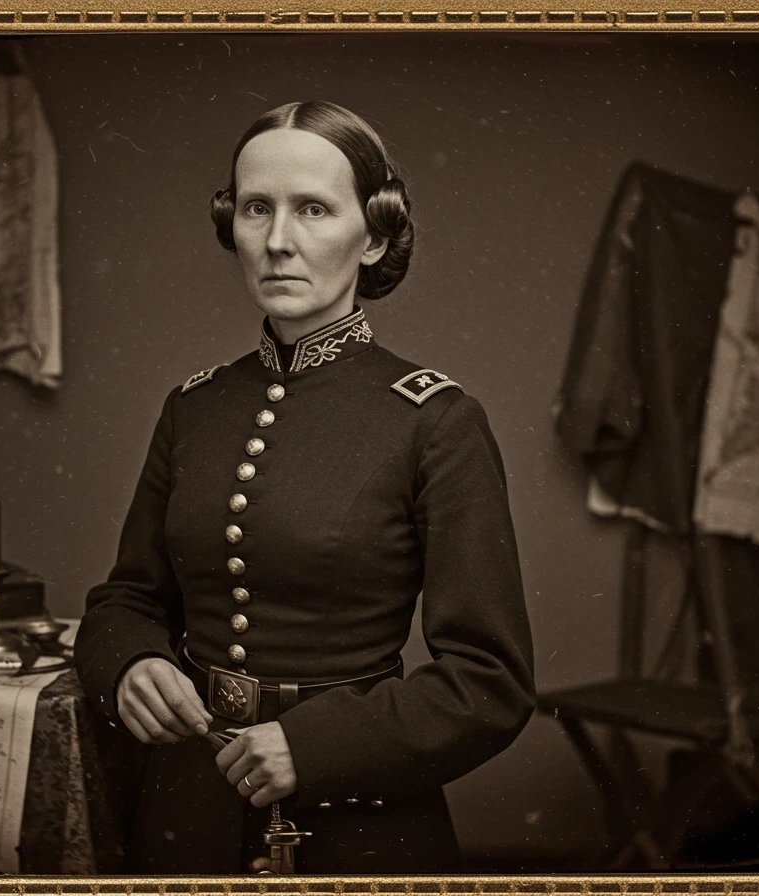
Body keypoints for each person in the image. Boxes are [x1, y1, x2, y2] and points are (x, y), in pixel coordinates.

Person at [74, 100, 535, 875]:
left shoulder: (437, 421)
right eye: (257, 208)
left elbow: (489, 683)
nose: (278, 241)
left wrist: (314, 746)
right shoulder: (195, 406)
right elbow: (127, 600)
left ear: (376, 234)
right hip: (187, 808)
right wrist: (130, 664)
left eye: (313, 209)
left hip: (362, 822)